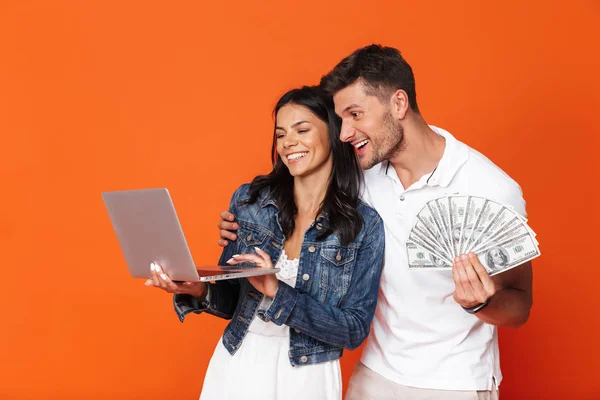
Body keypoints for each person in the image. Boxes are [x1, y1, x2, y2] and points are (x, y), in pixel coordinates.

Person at [218, 45, 533, 399]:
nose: (345, 133)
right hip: (375, 375)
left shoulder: (491, 187)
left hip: (455, 381)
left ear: (399, 104)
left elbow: (520, 304)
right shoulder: (359, 179)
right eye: (341, 119)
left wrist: (482, 303)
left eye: (355, 114)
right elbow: (295, 201)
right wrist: (239, 224)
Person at [146, 85, 385, 400]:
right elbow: (232, 299)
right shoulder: (250, 202)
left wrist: (277, 291)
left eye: (302, 130)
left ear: (334, 132)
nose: (289, 143)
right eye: (281, 134)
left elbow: (353, 330)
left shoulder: (363, 225)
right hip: (237, 360)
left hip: (307, 376)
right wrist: (197, 289)